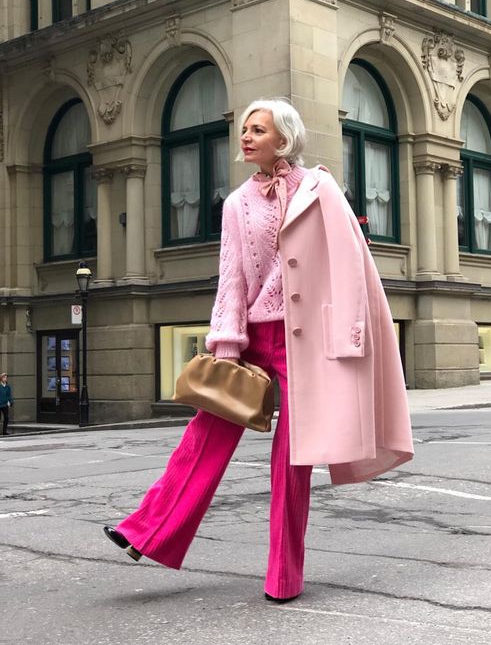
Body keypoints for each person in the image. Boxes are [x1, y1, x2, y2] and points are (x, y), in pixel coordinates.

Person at [103, 98, 414, 602]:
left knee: (292, 461)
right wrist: (226, 342)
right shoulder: (235, 204)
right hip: (252, 336)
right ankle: (147, 531)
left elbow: (352, 263)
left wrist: (350, 335)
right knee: (205, 433)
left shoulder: (320, 187)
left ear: (283, 138)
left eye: (258, 129)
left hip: (306, 340)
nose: (245, 137)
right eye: (243, 129)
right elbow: (231, 277)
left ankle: (283, 576)